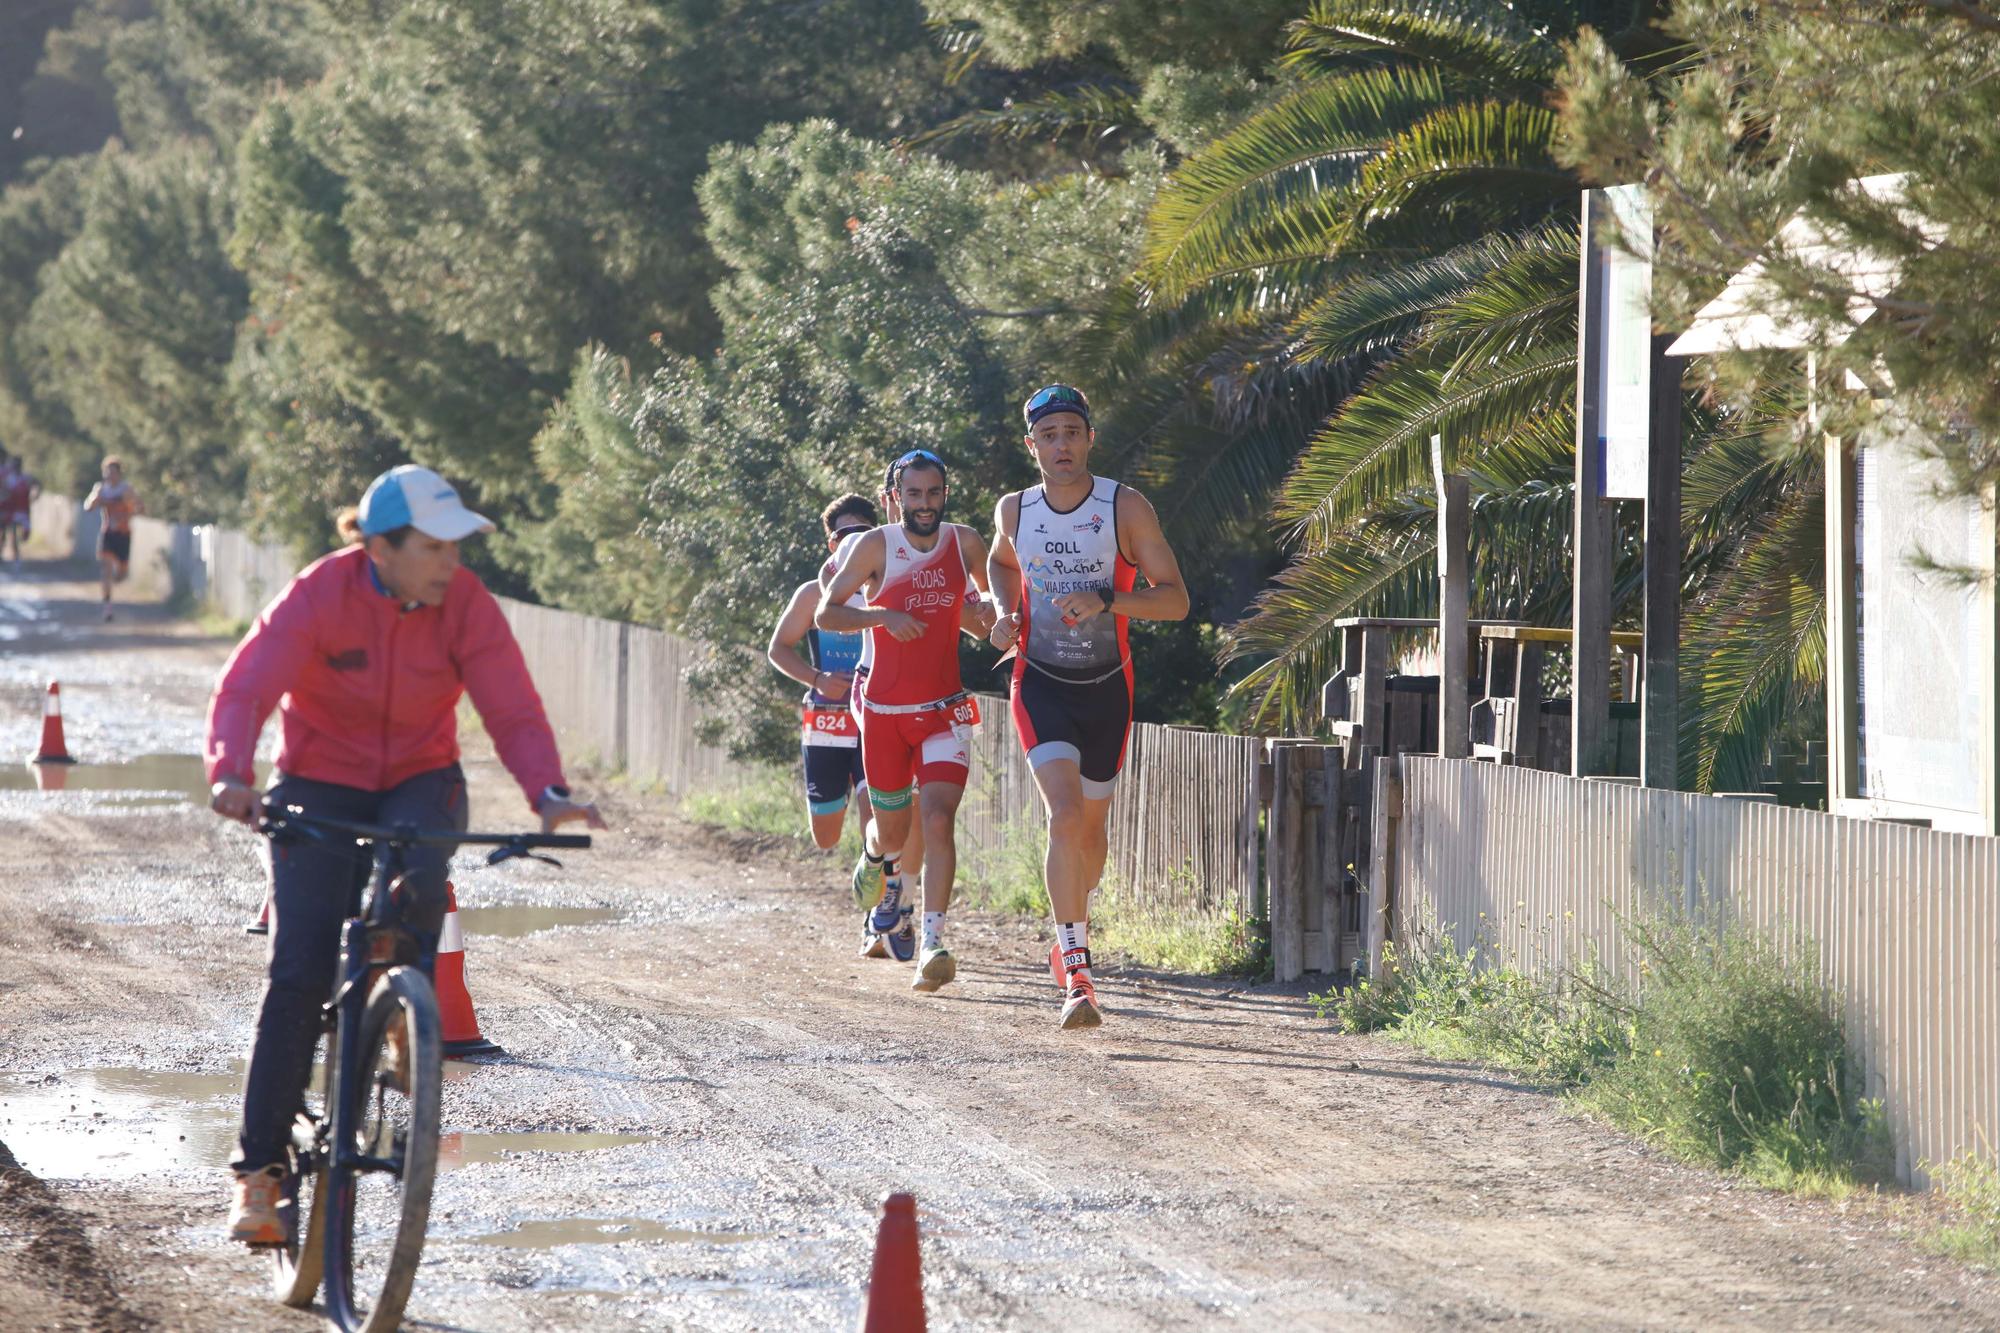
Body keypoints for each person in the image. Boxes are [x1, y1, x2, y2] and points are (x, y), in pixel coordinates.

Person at [204, 464, 606, 1246]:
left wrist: (548, 793)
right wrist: (230, 772)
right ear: (380, 547)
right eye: (434, 546)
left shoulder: (465, 603)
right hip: (318, 781)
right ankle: (259, 1174)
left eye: (456, 546)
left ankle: (402, 1011)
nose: (452, 561)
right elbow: (248, 686)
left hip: (419, 778)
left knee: (418, 881)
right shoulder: (322, 593)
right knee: (298, 968)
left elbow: (511, 703)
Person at [987, 385, 1189, 1029]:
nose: (1062, 445)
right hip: (1038, 681)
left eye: (1072, 431)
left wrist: (1107, 598)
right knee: (1064, 816)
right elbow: (999, 563)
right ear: (1032, 446)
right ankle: (1078, 970)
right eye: (1049, 436)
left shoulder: (1123, 507)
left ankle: (1069, 922)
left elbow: (1176, 600)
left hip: (1107, 687)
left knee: (1091, 840)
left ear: (1090, 438)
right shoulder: (1014, 509)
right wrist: (1002, 612)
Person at [818, 450, 994, 991]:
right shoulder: (872, 546)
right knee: (893, 831)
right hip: (884, 715)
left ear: (945, 493)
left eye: (934, 493)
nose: (925, 504)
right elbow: (828, 611)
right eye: (914, 495)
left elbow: (984, 614)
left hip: (942, 710)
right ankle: (874, 853)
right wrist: (883, 617)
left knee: (938, 817)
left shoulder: (964, 543)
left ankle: (933, 942)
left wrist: (990, 616)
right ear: (894, 498)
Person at [767, 494, 878, 851]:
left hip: (873, 714)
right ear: (831, 543)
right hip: (826, 719)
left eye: (864, 533)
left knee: (873, 811)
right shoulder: (812, 594)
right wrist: (817, 679)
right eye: (846, 535)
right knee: (826, 836)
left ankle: (879, 891)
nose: (855, 541)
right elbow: (778, 648)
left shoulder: (886, 589)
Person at [82, 457, 141, 620]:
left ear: (119, 474)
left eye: (113, 472)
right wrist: (96, 500)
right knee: (106, 569)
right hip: (108, 533)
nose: (109, 476)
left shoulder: (126, 489)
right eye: (107, 473)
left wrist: (126, 510)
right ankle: (107, 608)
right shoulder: (100, 489)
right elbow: (87, 507)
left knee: (121, 575)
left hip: (123, 533)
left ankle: (116, 579)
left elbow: (140, 507)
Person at [0, 454, 38, 570]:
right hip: (8, 509)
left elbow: (37, 484)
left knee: (18, 535)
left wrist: (35, 495)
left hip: (21, 511)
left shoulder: (25, 478)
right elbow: (4, 491)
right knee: (4, 533)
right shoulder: (7, 477)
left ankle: (16, 558)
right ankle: (5, 556)